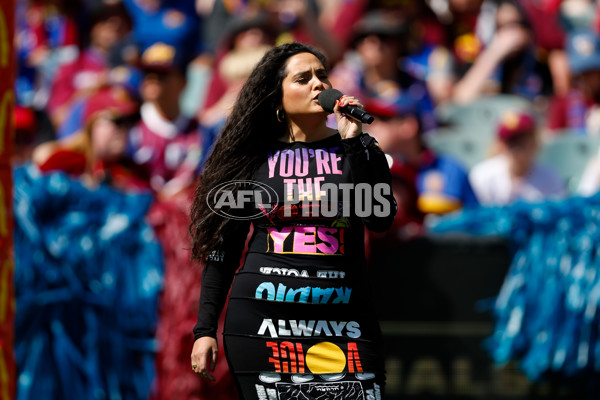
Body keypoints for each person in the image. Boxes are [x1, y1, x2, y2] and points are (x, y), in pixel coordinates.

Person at [189, 42, 396, 399]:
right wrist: (204, 329)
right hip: (262, 326)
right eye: (303, 79)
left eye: (322, 76)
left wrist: (354, 146)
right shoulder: (252, 159)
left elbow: (378, 220)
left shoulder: (360, 150)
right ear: (277, 97)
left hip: (346, 325)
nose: (319, 84)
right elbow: (223, 252)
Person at [469, 109, 566, 205]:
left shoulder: (549, 177)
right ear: (501, 145)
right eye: (511, 140)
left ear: (534, 141)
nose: (517, 145)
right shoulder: (482, 175)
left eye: (522, 139)